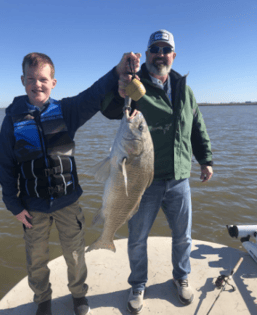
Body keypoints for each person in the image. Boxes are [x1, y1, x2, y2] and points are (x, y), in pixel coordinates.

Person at [0, 51, 140, 315]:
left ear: (53, 83)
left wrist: (118, 70)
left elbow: (93, 94)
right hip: (33, 206)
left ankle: (78, 294)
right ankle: (42, 300)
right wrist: (13, 205)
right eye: (31, 78)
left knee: (75, 255)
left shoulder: (66, 112)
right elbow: (5, 165)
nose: (36, 84)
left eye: (42, 79)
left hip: (68, 202)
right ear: (22, 80)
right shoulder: (11, 121)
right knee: (36, 260)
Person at [101, 29, 213, 314]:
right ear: (147, 54)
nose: (160, 55)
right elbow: (111, 109)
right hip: (144, 183)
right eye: (155, 50)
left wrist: (205, 159)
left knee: (183, 236)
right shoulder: (135, 87)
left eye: (166, 50)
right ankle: (138, 283)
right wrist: (120, 87)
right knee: (137, 237)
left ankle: (181, 276)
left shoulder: (185, 90)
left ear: (173, 56)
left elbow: (197, 126)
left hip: (179, 179)